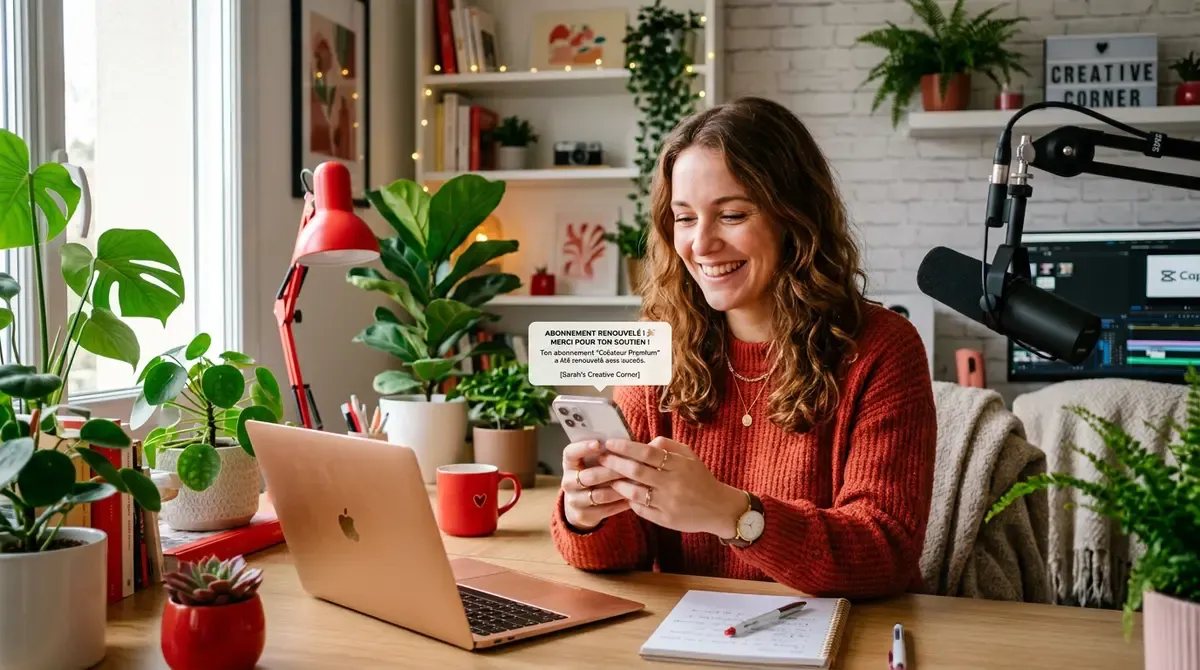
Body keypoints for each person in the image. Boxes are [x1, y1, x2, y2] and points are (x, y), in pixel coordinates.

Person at [550, 96, 937, 599]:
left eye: (731, 214)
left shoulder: (882, 348)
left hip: (847, 639)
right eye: (684, 218)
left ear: (794, 218)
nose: (701, 243)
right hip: (688, 639)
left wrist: (731, 513)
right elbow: (625, 555)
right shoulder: (655, 344)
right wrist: (585, 517)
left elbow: (884, 551)